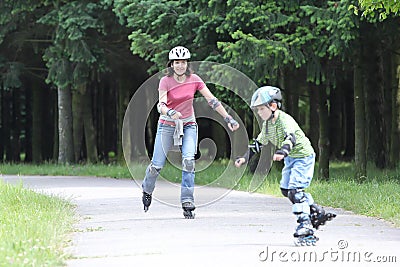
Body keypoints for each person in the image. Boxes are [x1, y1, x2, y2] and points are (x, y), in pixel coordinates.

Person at [142, 46, 240, 219]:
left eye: (183, 62)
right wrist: (170, 112)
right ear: (171, 64)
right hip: (167, 124)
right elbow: (161, 104)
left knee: (188, 161)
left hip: (188, 125)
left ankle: (187, 201)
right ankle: (147, 189)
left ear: (187, 64)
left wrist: (228, 118)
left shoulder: (194, 79)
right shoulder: (165, 81)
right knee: (157, 165)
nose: (180, 66)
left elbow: (212, 101)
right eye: (177, 62)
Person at [235, 86, 335, 245]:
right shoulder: (267, 125)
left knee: (295, 190)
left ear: (273, 106)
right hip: (291, 159)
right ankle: (317, 211)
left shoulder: (285, 120)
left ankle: (305, 224)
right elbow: (258, 144)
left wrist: (283, 151)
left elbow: (291, 138)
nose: (259, 113)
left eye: (261, 109)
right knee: (286, 190)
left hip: (303, 157)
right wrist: (244, 158)